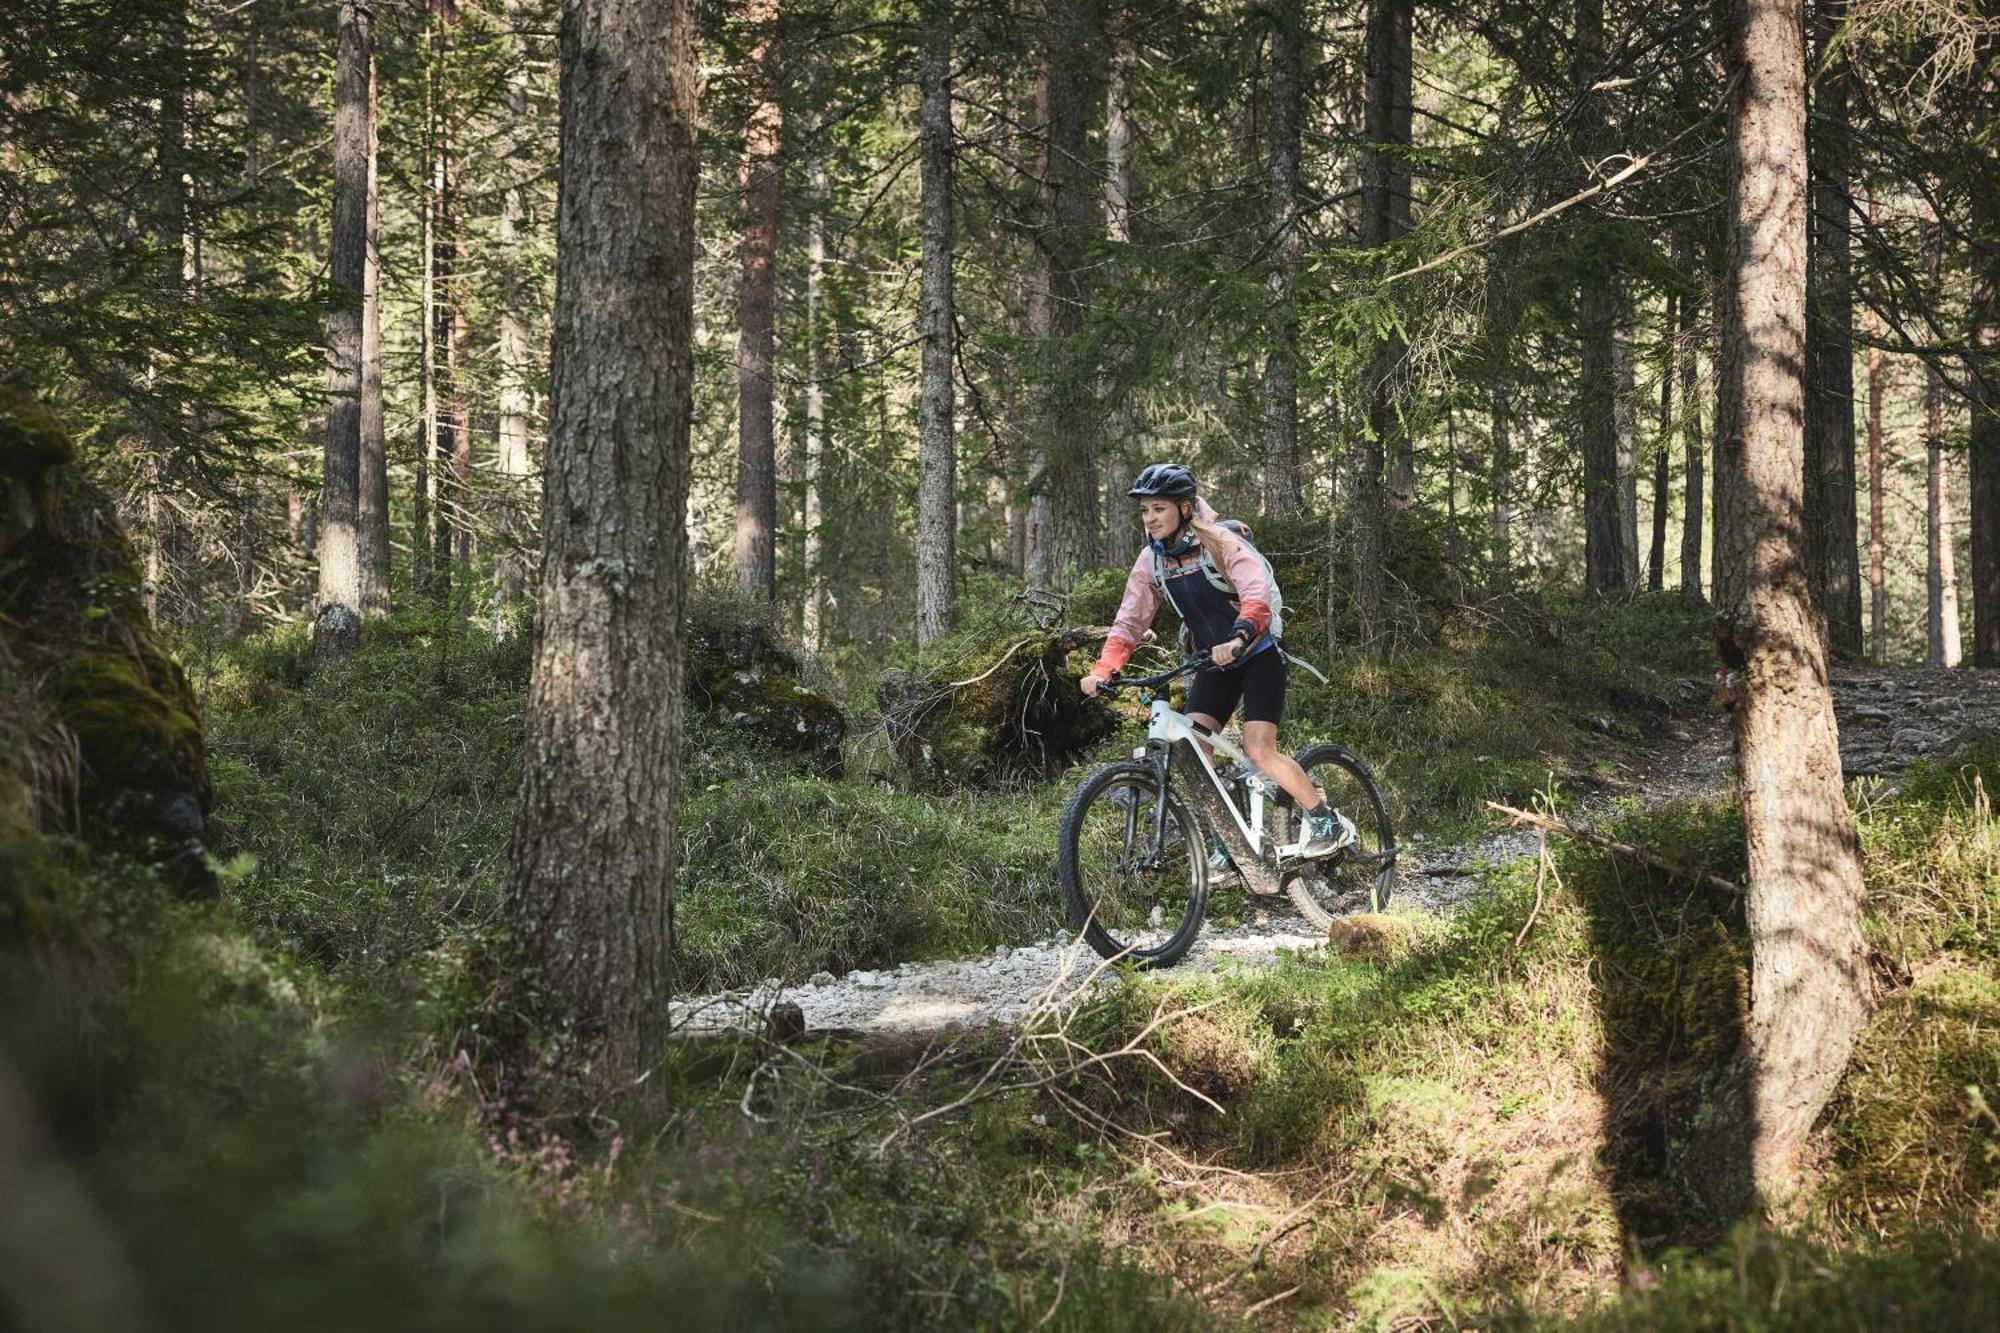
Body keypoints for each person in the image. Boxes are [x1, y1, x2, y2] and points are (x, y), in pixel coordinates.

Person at [1080, 462, 1355, 863]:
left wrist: (1241, 635)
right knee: (1195, 751)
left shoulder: (1222, 543)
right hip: (1210, 662)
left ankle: (1325, 821)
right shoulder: (1151, 561)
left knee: (1260, 751)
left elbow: (1256, 591)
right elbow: (1129, 621)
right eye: (1145, 511)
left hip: (1257, 654)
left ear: (1185, 507)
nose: (1150, 518)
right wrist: (1104, 670)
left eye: (1159, 508)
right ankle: (1229, 843)